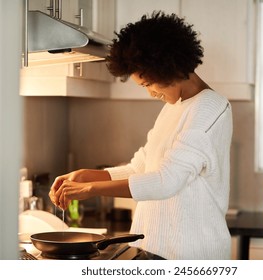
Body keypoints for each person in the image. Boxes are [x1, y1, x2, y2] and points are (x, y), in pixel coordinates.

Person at [49, 11, 233, 260]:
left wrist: (93, 189)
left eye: (148, 84)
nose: (150, 93)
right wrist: (87, 175)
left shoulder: (210, 108)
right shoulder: (174, 108)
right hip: (154, 251)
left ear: (169, 67)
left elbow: (167, 181)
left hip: (189, 256)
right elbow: (142, 167)